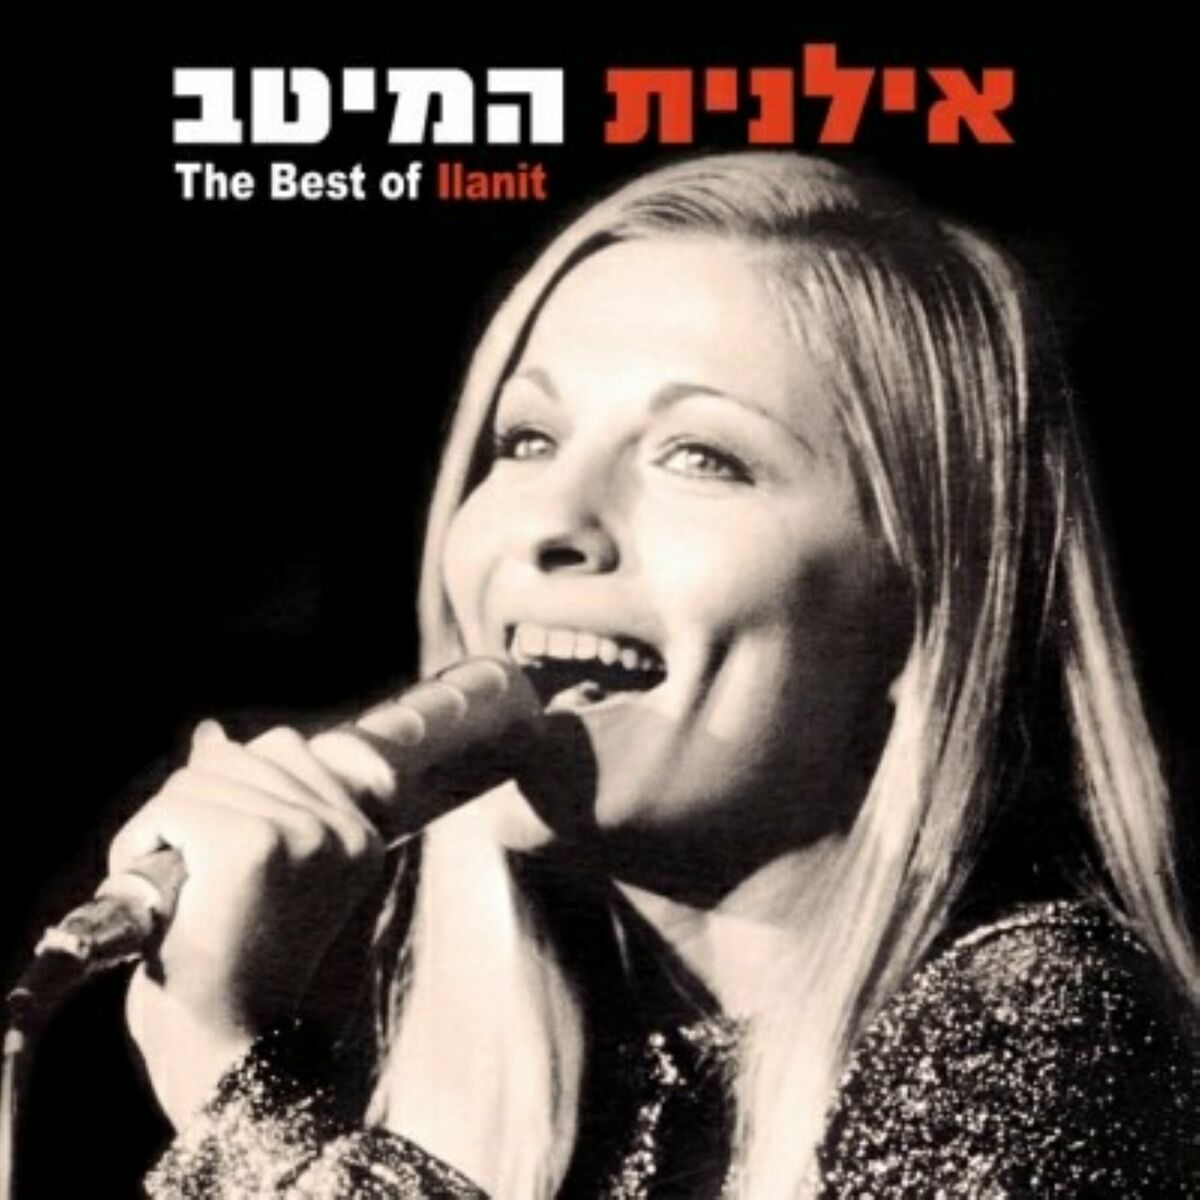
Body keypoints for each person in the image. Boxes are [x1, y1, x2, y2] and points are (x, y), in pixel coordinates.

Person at [109, 152, 1197, 1198]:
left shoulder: (1052, 1020)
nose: (549, 521)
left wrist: (240, 1096)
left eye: (700, 456)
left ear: (929, 602)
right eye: (527, 440)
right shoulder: (533, 1090)